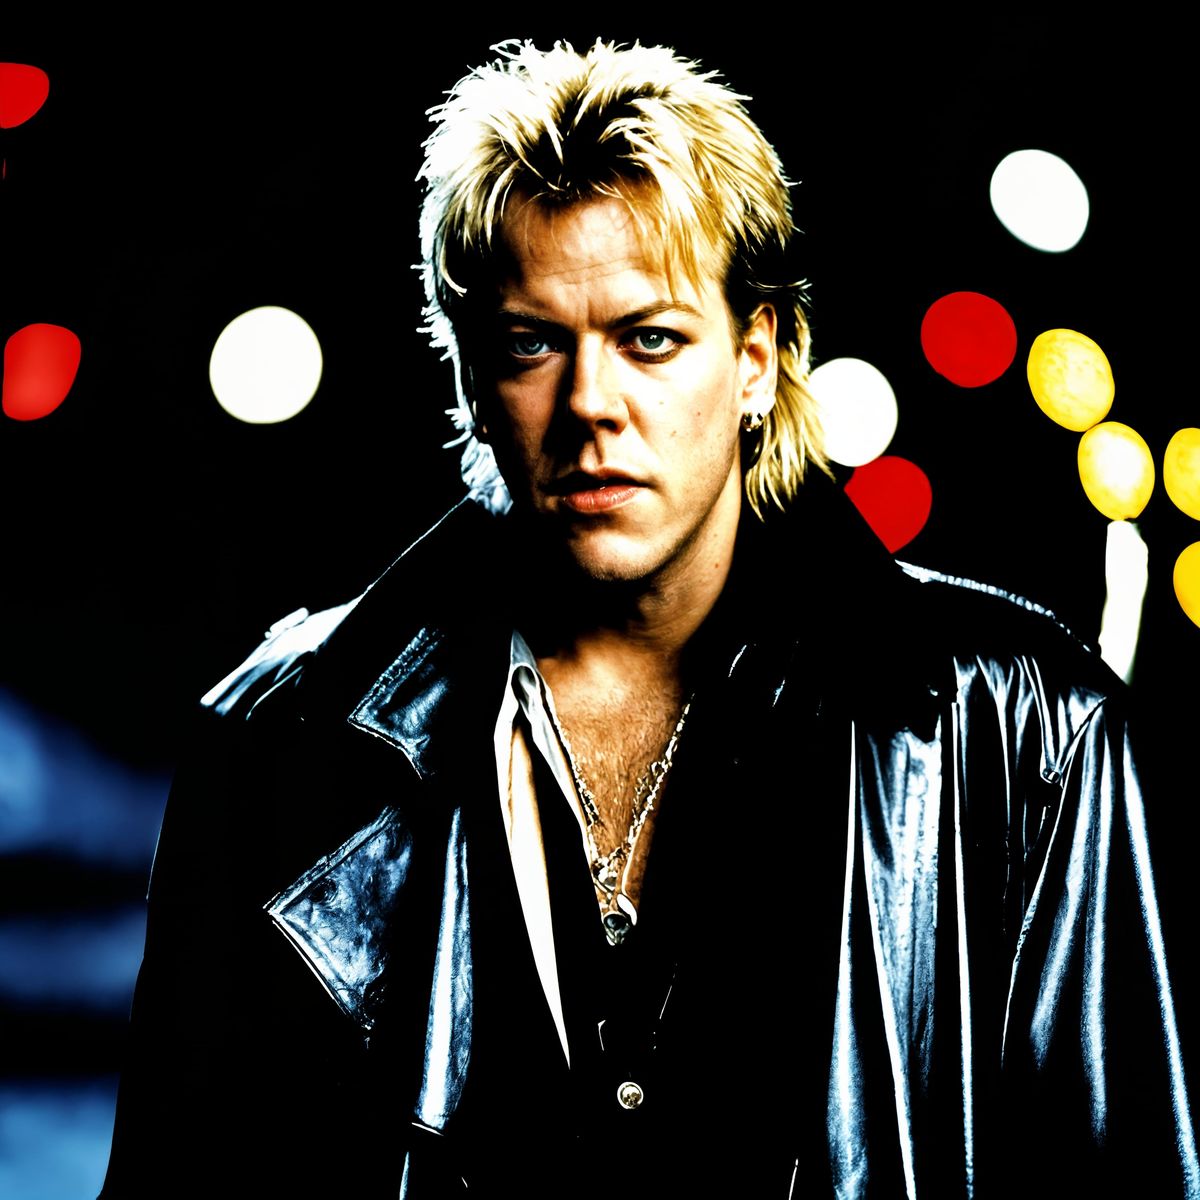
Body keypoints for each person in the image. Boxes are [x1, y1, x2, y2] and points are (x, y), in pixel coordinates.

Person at [101, 38, 1197, 1199]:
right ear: (472, 378)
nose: (591, 404)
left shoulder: (1024, 730)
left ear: (758, 358)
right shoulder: (280, 737)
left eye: (650, 338)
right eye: (533, 343)